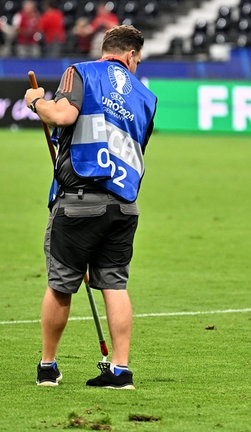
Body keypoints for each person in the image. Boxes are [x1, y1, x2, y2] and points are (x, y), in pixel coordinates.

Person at [24, 25, 157, 389]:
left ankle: (48, 367)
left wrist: (35, 101)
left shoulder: (81, 71)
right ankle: (120, 369)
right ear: (130, 55)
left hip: (79, 202)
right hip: (124, 204)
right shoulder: (146, 95)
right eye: (138, 60)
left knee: (60, 285)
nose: (137, 65)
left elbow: (63, 117)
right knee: (114, 284)